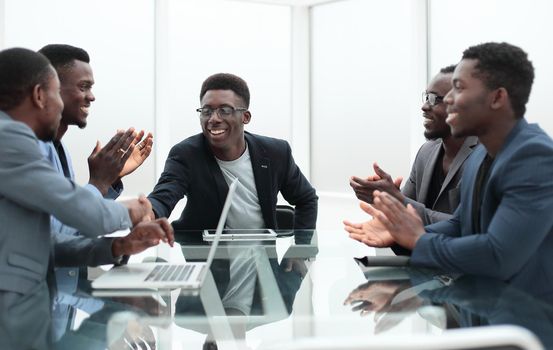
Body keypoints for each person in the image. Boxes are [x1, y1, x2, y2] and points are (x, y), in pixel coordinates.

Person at [345, 42, 553, 297]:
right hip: (478, 310)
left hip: (525, 322)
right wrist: (398, 232)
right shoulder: (482, 156)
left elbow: (498, 256)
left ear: (497, 97)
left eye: (459, 88)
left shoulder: (535, 156)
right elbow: (460, 224)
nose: (449, 99)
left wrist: (419, 240)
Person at [0, 47, 171, 350]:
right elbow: (79, 214)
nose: (91, 97)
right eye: (58, 92)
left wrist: (117, 246)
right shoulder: (9, 138)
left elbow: (45, 242)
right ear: (40, 95)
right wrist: (135, 208)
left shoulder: (48, 146)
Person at [37, 44, 155, 295]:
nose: (91, 97)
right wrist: (99, 184)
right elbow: (55, 233)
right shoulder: (30, 150)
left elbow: (70, 226)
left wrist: (108, 182)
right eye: (84, 87)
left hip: (61, 304)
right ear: (48, 90)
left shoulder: (59, 148)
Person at [148, 73, 318, 232]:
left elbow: (307, 199)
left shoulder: (276, 152)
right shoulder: (186, 154)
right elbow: (163, 197)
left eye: (225, 110)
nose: (213, 119)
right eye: (206, 111)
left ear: (246, 117)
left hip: (262, 259)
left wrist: (299, 251)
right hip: (205, 257)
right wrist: (146, 213)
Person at [349, 65, 478, 226]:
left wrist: (397, 200)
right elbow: (405, 212)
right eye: (426, 97)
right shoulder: (426, 152)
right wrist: (384, 198)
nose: (424, 107)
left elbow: (466, 226)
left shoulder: (485, 156)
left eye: (434, 99)